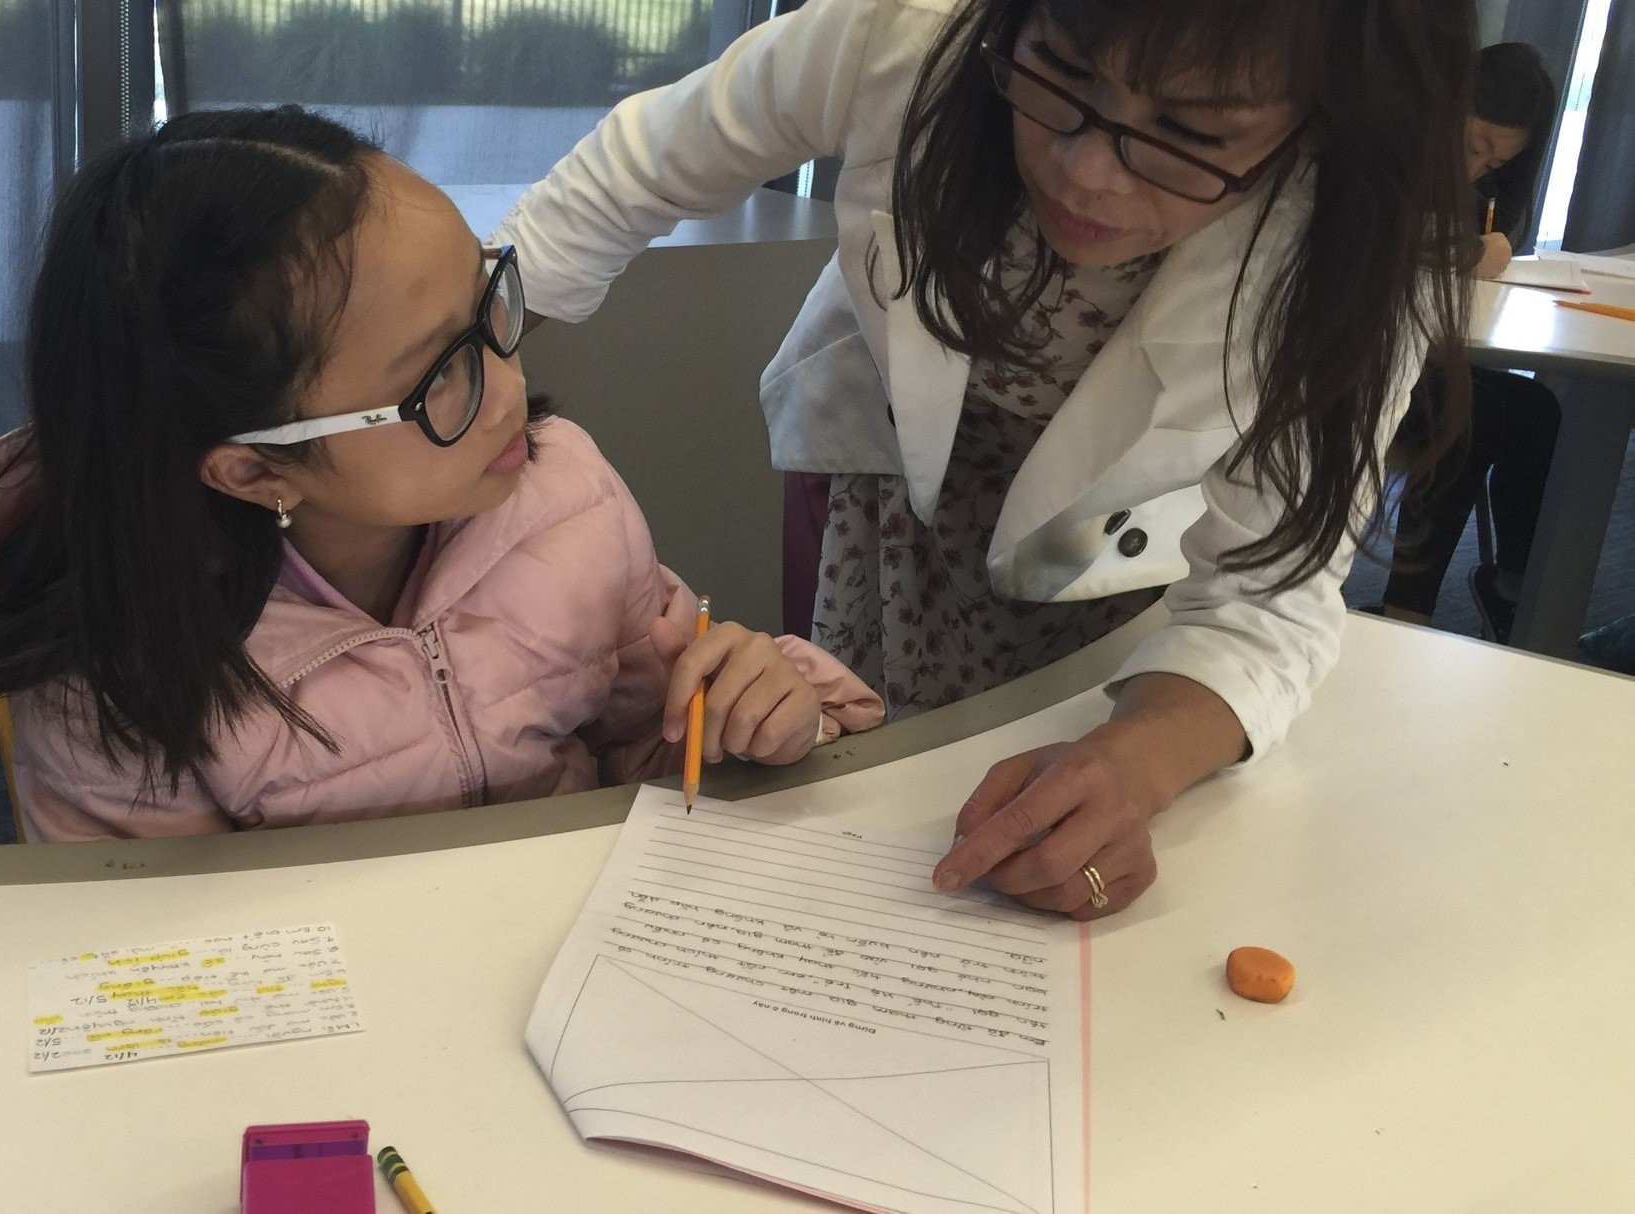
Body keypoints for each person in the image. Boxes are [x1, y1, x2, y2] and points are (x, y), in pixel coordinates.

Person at [498, 0, 1480, 917]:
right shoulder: (912, 36)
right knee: (852, 794)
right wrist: (439, 379)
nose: (1086, 169)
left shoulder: (1346, 266)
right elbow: (623, 180)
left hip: (1107, 554)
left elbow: (1263, 602)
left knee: (1025, 791)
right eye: (1060, 73)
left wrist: (1133, 763)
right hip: (885, 487)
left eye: (1191, 132)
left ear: (1319, 123)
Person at [0, 107, 883, 842]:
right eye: (443, 376)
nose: (511, 388)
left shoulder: (563, 497)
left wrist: (756, 715)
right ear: (251, 470)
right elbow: (165, 959)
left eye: (491, 307)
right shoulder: (120, 666)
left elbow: (645, 744)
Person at [1377, 42, 1560, 643]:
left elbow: (1482, 245)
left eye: (1500, 161)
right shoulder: (1385, 144)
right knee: (1466, 414)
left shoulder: (1488, 181)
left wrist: (1492, 244)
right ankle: (1407, 617)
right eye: (1475, 146)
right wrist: (1470, 251)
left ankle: (1509, 588)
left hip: (1421, 345)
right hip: (1350, 356)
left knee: (1537, 412)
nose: (1480, 168)